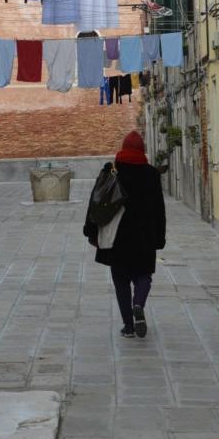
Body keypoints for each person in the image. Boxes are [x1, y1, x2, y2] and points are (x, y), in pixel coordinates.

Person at [83, 131, 167, 338]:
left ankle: (128, 326)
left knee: (120, 280)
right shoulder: (151, 174)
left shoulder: (112, 171)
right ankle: (138, 303)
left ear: (122, 148)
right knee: (144, 275)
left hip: (117, 236)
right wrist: (160, 237)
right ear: (141, 150)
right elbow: (159, 209)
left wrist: (91, 232)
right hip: (144, 235)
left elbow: (96, 203)